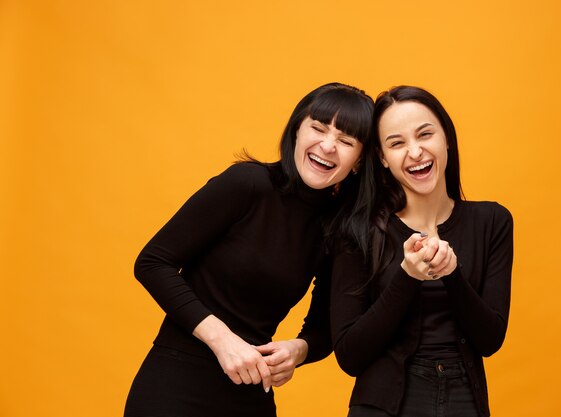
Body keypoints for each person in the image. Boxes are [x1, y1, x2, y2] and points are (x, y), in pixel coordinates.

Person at [124, 82, 375, 417]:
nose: (328, 146)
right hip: (175, 383)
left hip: (250, 392)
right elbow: (153, 262)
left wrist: (297, 351)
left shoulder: (338, 229)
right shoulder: (247, 184)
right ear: (296, 131)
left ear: (358, 161)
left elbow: (327, 325)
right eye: (317, 128)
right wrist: (223, 341)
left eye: (346, 141)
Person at [331, 86, 513, 417]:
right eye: (396, 143)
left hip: (465, 399)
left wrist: (452, 274)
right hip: (383, 404)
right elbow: (349, 355)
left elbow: (490, 340)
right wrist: (407, 276)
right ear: (383, 158)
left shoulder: (493, 221)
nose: (415, 152)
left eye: (424, 134)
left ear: (446, 138)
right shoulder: (358, 231)